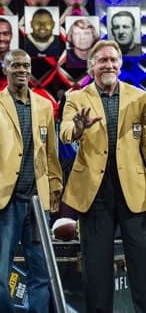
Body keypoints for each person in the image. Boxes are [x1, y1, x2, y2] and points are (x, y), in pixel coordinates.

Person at [0, 49, 63, 313]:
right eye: (16, 66)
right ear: (5, 70)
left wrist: (55, 185)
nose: (22, 69)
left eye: (26, 65)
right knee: (0, 270)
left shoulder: (45, 105)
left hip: (37, 202)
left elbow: (50, 150)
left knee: (41, 270)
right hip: (4, 200)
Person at [60, 39, 146, 312]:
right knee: (96, 272)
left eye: (113, 60)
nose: (108, 64)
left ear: (120, 65)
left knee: (143, 268)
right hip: (93, 194)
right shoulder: (76, 98)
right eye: (102, 60)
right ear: (91, 66)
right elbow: (64, 132)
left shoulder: (139, 97)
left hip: (133, 191)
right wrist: (78, 128)